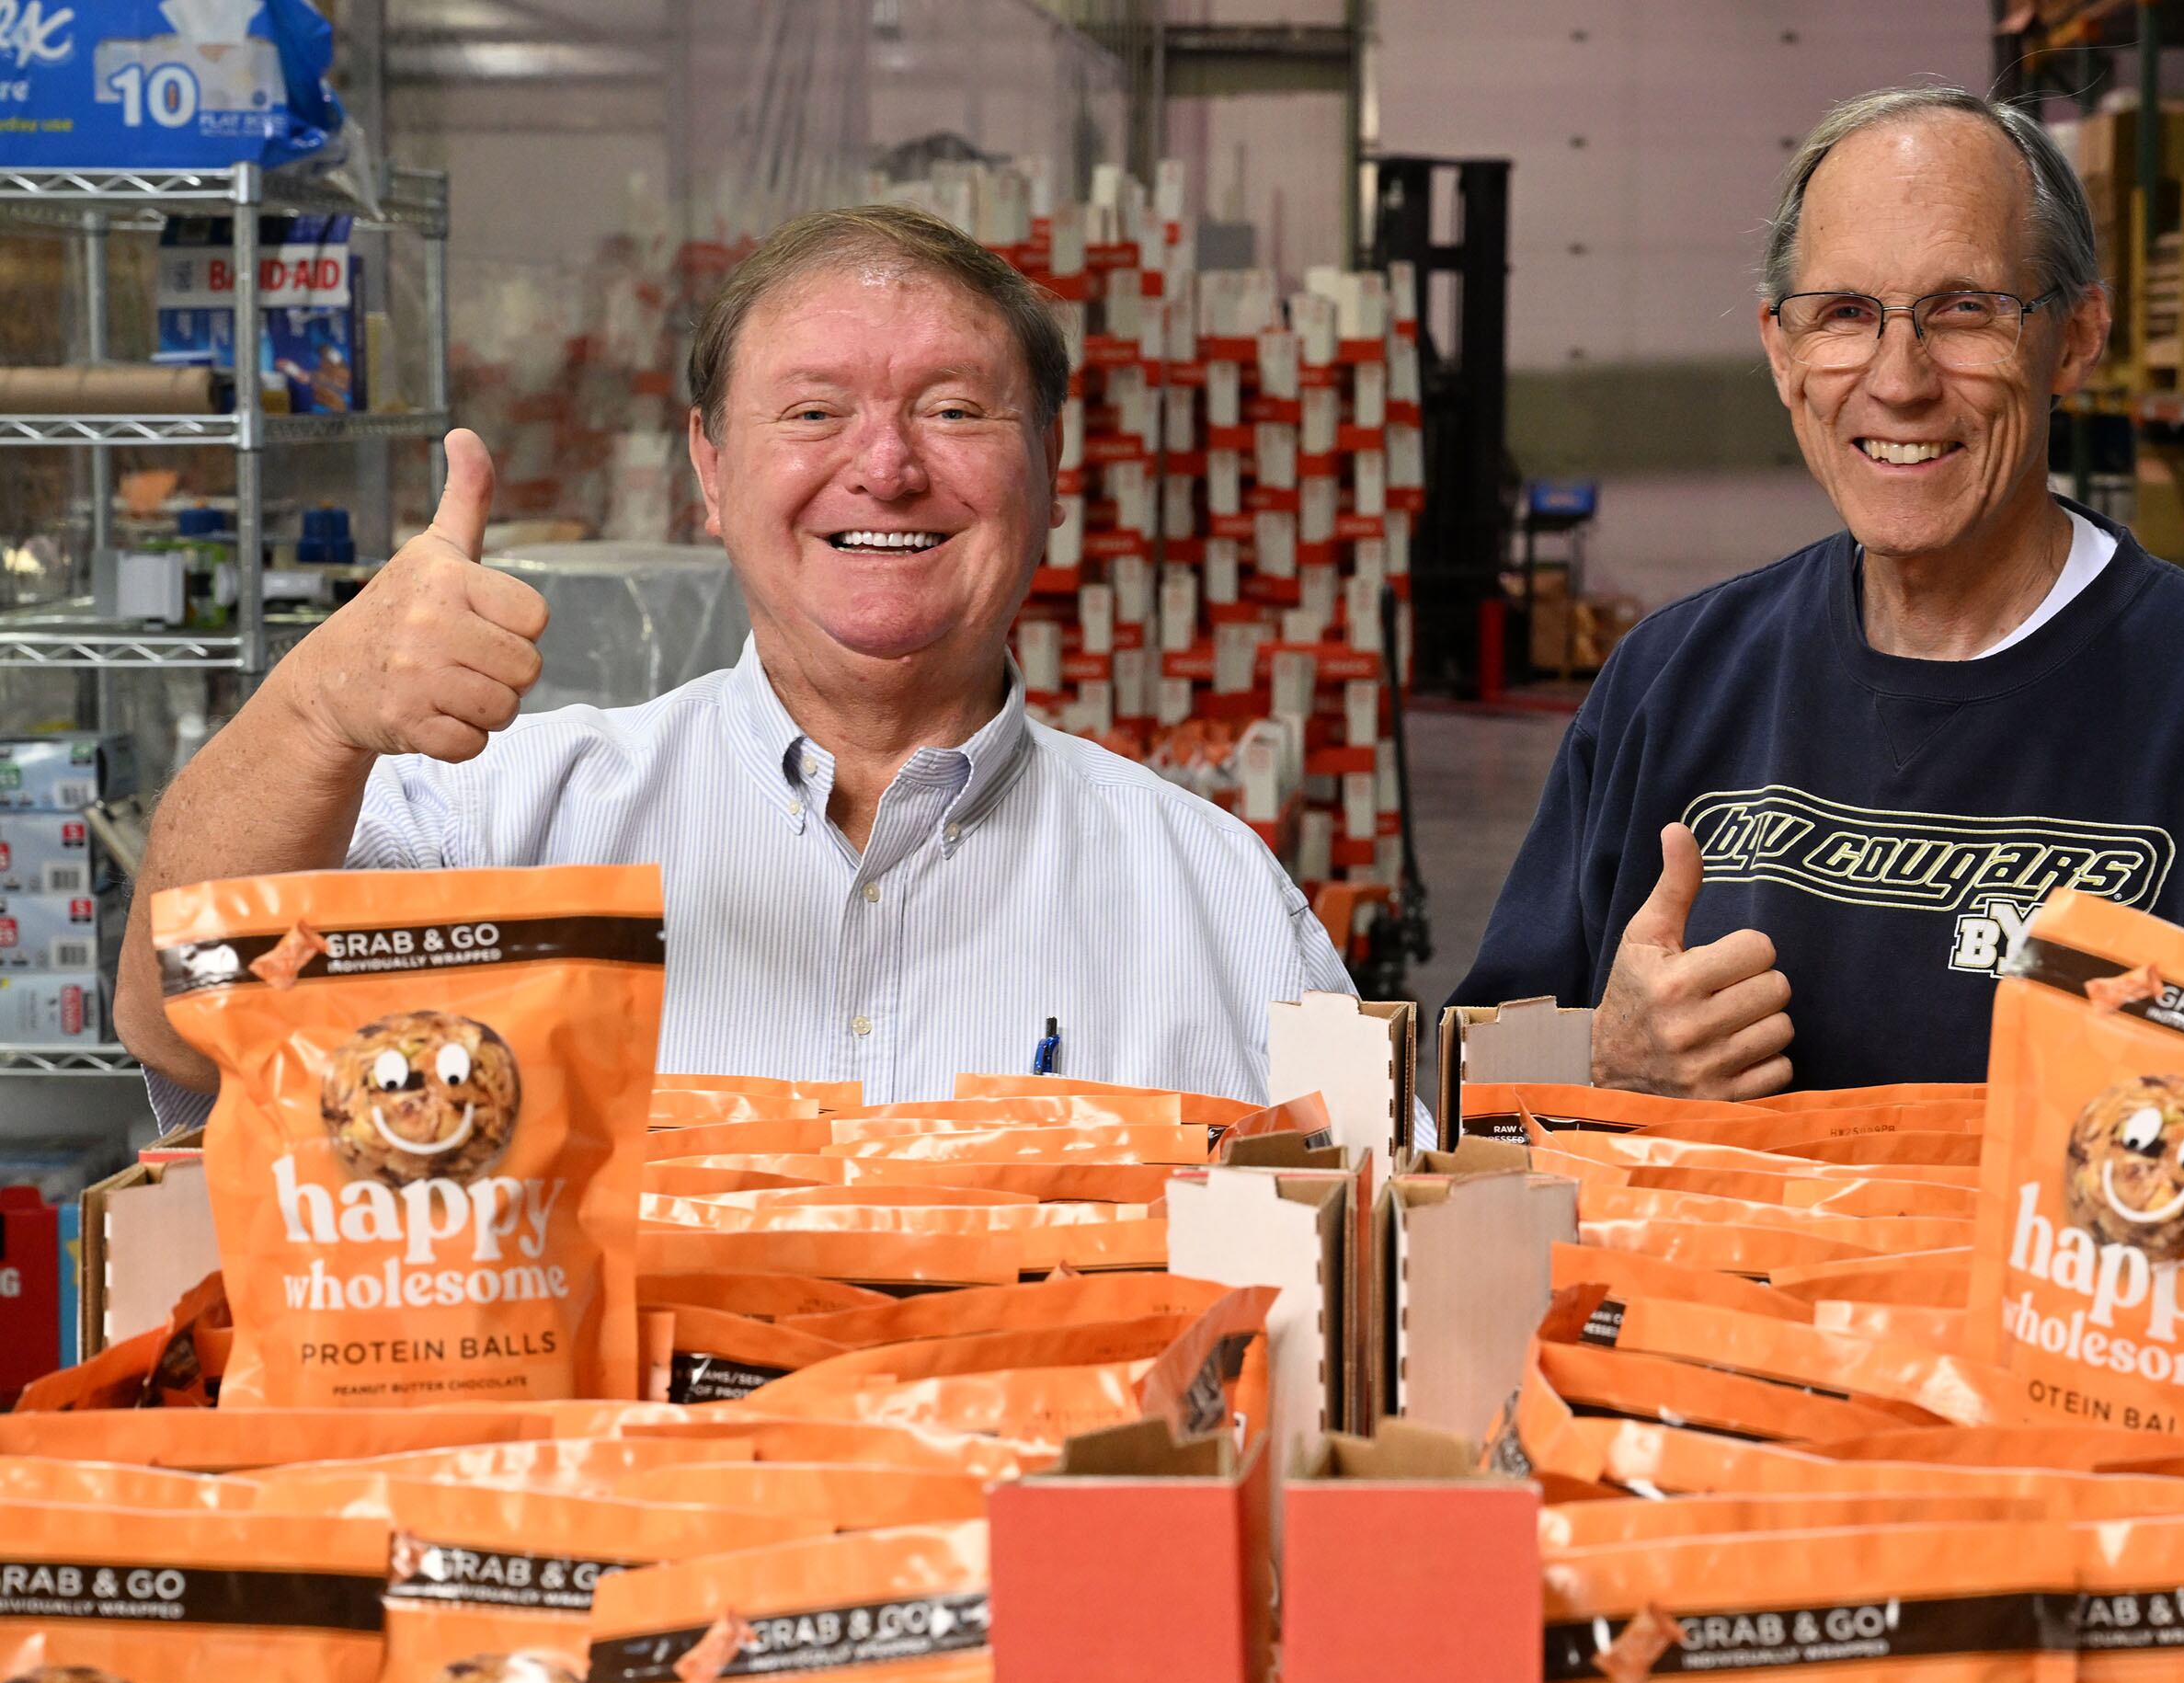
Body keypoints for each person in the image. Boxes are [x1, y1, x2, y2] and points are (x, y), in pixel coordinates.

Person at [1453, 85, 2184, 1181]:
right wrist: (1603, 1064)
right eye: (1844, 313)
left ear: (2077, 337)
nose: (1899, 380)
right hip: (1690, 1349)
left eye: (1964, 309)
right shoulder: (1672, 681)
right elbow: (1461, 1118)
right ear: (1782, 349)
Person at [116, 205, 1358, 1120]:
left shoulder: (1218, 898)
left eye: (955, 410)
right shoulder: (496, 820)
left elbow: (1374, 1260)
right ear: (711, 470)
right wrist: (316, 713)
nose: (886, 467)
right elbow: (181, 1019)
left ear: (1048, 467)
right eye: (813, 412)